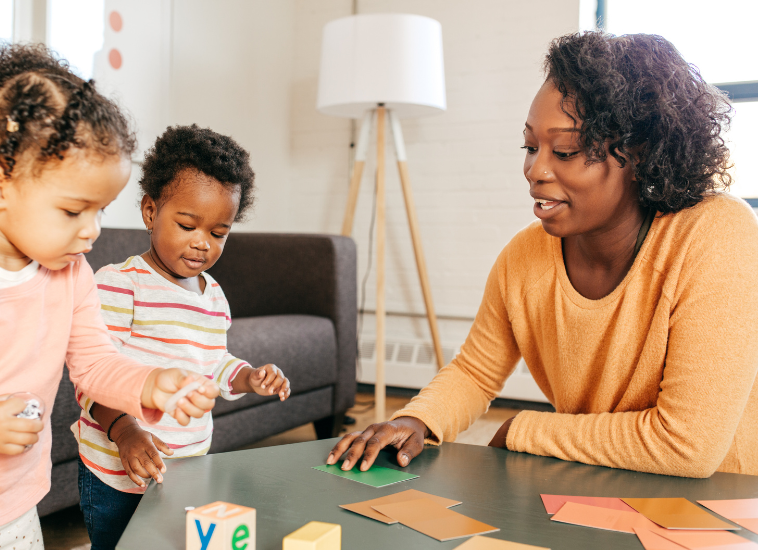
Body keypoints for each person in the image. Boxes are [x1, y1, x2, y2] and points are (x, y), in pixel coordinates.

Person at [328, 31, 758, 479]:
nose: (535, 170)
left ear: (639, 152)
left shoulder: (715, 232)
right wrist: (413, 421)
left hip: (716, 504)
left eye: (566, 151)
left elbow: (686, 445)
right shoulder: (524, 255)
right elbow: (476, 371)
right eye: (530, 146)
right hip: (596, 479)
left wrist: (522, 429)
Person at [0, 43, 219, 549]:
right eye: (74, 211)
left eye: (101, 210)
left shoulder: (70, 275)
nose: (92, 232)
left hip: (12, 504)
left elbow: (94, 365)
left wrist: (151, 384)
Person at [74, 125, 292, 550]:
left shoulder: (213, 295)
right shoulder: (120, 285)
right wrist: (124, 431)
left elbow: (213, 361)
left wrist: (248, 377)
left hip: (186, 465)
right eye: (188, 225)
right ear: (151, 211)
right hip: (115, 470)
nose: (201, 244)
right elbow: (91, 374)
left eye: (217, 233)